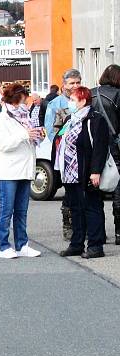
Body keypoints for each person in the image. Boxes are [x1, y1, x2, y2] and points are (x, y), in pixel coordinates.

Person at [56, 86, 110, 259]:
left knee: (91, 208)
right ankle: (76, 244)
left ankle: (95, 245)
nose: (70, 103)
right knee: (76, 209)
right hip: (70, 173)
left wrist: (95, 171)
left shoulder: (95, 119)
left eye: (73, 100)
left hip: (86, 171)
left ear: (83, 101)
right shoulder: (70, 119)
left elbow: (100, 147)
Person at [0, 83, 44, 259]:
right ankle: (4, 246)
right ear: (14, 101)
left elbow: (27, 141)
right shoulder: (2, 119)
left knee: (22, 210)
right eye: (22, 101)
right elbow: (3, 145)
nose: (24, 104)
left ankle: (22, 244)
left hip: (24, 169)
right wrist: (25, 135)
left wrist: (37, 136)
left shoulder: (24, 118)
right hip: (7, 172)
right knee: (7, 210)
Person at [45, 69, 82, 240]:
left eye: (77, 82)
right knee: (69, 192)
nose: (75, 86)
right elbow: (51, 131)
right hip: (65, 155)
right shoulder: (56, 104)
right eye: (71, 83)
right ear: (64, 85)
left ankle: (82, 226)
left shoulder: (85, 99)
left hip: (82, 153)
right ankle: (68, 225)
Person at [91, 64, 120, 244]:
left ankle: (98, 232)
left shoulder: (90, 93)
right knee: (118, 189)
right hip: (114, 148)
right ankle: (119, 233)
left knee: (95, 192)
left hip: (94, 147)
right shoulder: (118, 95)